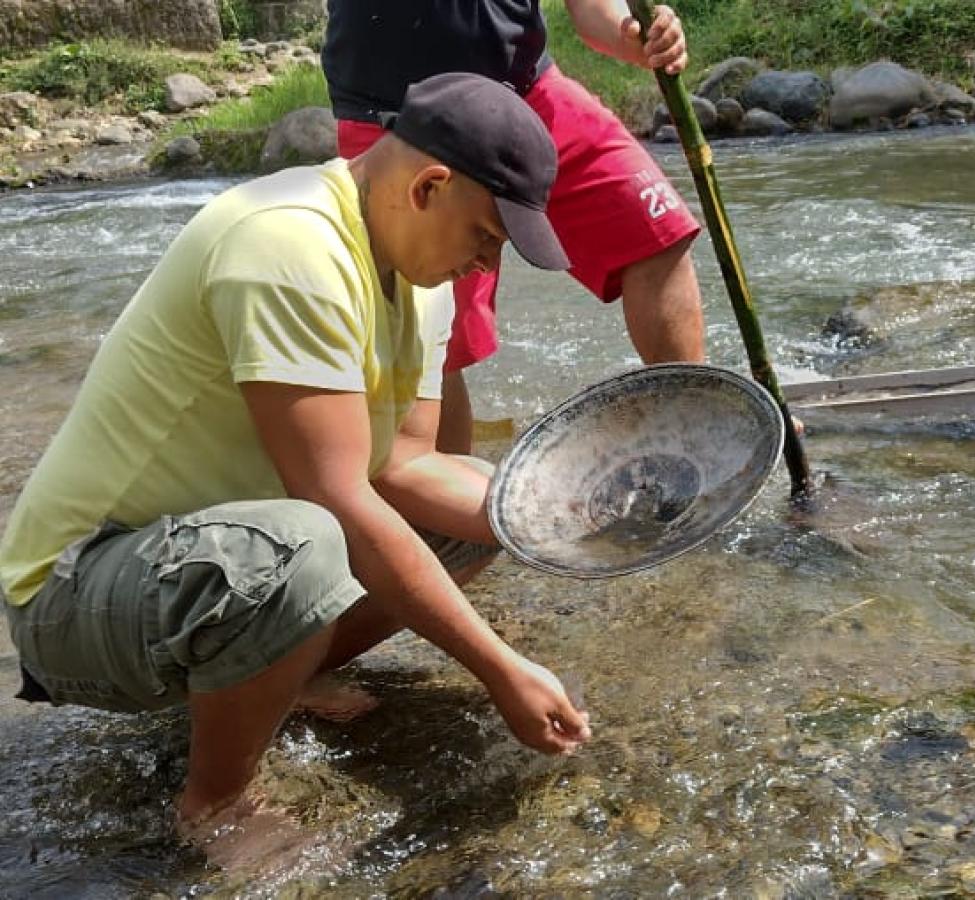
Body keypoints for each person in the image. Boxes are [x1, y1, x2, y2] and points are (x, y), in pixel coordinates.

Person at [0, 72, 591, 864]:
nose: (486, 266)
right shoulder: (285, 244)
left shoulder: (421, 282)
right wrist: (500, 669)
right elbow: (339, 496)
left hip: (206, 556)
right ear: (429, 187)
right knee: (306, 546)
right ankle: (214, 803)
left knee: (492, 517)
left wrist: (564, 512)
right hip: (76, 591)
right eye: (486, 237)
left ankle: (268, 672)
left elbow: (407, 464)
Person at [322, 0, 707, 454]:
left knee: (654, 234)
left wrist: (629, 34)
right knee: (429, 341)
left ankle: (695, 433)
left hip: (525, 91)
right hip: (395, 118)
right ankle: (436, 503)